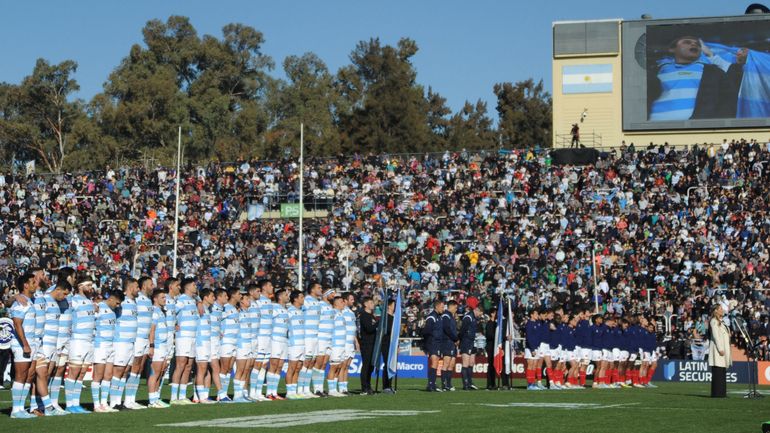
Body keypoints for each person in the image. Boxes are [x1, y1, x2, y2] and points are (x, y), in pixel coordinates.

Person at [648, 36, 746, 121]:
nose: (694, 44)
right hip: (653, 130)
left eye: (697, 44)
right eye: (687, 42)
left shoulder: (713, 72)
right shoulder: (654, 71)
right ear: (672, 49)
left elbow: (735, 88)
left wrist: (710, 55)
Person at [66, 277, 97, 414]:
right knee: (74, 372)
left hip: (89, 341)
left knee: (82, 373)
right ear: (80, 286)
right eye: (88, 285)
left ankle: (76, 403)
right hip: (77, 340)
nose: (91, 288)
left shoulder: (90, 301)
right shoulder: (73, 300)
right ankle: (69, 404)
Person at [9, 273, 38, 419]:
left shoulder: (29, 301)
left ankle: (21, 408)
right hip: (22, 344)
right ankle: (15, 410)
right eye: (33, 282)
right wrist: (25, 345)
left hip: (31, 342)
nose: (35, 284)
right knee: (21, 375)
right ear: (25, 285)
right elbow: (17, 324)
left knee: (28, 375)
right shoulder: (20, 302)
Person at [124, 276, 154, 410]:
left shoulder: (148, 301)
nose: (153, 286)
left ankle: (132, 398)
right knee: (133, 368)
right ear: (143, 286)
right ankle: (127, 399)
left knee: (139, 369)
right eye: (150, 284)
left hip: (145, 339)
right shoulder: (137, 300)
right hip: (137, 338)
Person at [92, 289, 122, 413]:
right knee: (98, 376)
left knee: (108, 375)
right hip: (101, 345)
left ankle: (104, 403)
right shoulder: (98, 307)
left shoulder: (114, 311)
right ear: (111, 299)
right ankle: (96, 405)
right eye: (117, 303)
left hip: (111, 345)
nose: (118, 306)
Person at [110, 278, 138, 410]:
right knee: (118, 370)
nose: (138, 289)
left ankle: (118, 401)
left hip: (131, 342)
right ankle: (112, 402)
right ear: (130, 287)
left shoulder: (134, 302)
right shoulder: (122, 301)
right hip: (121, 341)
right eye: (136, 287)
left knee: (125, 370)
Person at [169, 278, 198, 405]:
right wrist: (174, 323)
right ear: (187, 287)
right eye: (193, 284)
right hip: (183, 336)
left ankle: (182, 395)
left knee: (188, 366)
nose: (195, 286)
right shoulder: (181, 300)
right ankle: (174, 397)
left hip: (193, 337)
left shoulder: (193, 301)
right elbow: (172, 312)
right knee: (180, 365)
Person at [253, 279, 274, 401]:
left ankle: (259, 392)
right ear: (264, 287)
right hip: (260, 337)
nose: (272, 287)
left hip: (268, 337)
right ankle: (253, 391)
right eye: (270, 285)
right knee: (257, 364)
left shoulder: (269, 301)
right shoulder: (258, 301)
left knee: (264, 365)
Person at [147, 289, 169, 408]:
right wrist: (151, 346)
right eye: (162, 297)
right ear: (155, 299)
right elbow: (152, 330)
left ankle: (155, 398)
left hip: (164, 345)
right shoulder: (155, 311)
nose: (164, 299)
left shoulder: (161, 311)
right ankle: (151, 400)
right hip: (158, 345)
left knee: (161, 372)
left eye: (165, 297)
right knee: (155, 372)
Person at [266, 288, 289, 400]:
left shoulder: (286, 309)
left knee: (279, 366)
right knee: (273, 365)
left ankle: (274, 392)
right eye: (285, 294)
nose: (287, 296)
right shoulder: (274, 307)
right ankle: (268, 392)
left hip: (284, 340)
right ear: (280, 297)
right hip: (275, 339)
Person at [219, 288, 241, 401]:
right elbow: (218, 320)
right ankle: (220, 394)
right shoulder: (226, 308)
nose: (240, 296)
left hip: (234, 341)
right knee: (224, 368)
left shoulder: (235, 309)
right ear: (233, 295)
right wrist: (220, 332)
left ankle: (225, 393)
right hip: (226, 341)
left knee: (229, 369)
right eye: (238, 294)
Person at [194, 289, 215, 404]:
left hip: (207, 343)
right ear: (205, 297)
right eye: (212, 296)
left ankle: (202, 396)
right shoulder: (199, 308)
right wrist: (198, 301)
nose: (214, 298)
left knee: (205, 369)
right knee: (201, 369)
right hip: (200, 342)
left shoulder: (207, 309)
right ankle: (201, 397)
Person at [286, 290, 305, 400]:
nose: (303, 299)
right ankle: (289, 392)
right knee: (292, 367)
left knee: (298, 367)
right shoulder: (290, 311)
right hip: (293, 344)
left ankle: (294, 390)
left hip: (302, 343)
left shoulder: (301, 311)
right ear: (295, 299)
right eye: (301, 297)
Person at [328, 296, 348, 397]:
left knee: (339, 367)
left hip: (342, 345)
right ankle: (331, 390)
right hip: (335, 345)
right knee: (333, 367)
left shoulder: (341, 314)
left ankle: (334, 389)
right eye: (341, 302)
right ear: (335, 304)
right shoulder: (333, 313)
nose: (343, 303)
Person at [459, 297, 480, 390]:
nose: (480, 314)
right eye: (479, 312)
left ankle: (470, 382)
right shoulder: (468, 317)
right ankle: (465, 384)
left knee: (471, 363)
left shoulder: (473, 318)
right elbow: (463, 330)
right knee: (465, 363)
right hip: (466, 342)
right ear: (475, 309)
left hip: (472, 342)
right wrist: (459, 340)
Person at [423, 299, 445, 392]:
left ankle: (432, 383)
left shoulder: (439, 317)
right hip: (432, 343)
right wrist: (427, 343)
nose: (443, 309)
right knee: (434, 362)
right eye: (442, 307)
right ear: (437, 306)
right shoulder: (431, 317)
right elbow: (426, 331)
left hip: (438, 343)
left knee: (435, 363)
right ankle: (431, 384)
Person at [358, 297, 377, 395]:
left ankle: (368, 386)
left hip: (373, 343)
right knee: (366, 366)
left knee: (371, 366)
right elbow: (369, 329)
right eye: (371, 302)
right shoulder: (364, 315)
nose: (373, 304)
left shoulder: (372, 316)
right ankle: (364, 387)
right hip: (366, 344)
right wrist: (378, 323)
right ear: (365, 304)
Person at [440, 300, 459, 391]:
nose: (456, 310)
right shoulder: (446, 316)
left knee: (452, 364)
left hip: (452, 343)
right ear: (451, 306)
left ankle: (449, 384)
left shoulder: (451, 316)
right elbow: (447, 329)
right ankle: (444, 385)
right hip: (447, 342)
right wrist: (455, 338)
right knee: (446, 363)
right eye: (455, 308)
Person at [380, 297, 396, 394]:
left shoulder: (394, 318)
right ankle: (385, 386)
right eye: (394, 305)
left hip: (392, 344)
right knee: (387, 364)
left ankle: (390, 385)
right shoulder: (385, 318)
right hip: (385, 344)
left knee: (391, 365)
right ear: (389, 306)